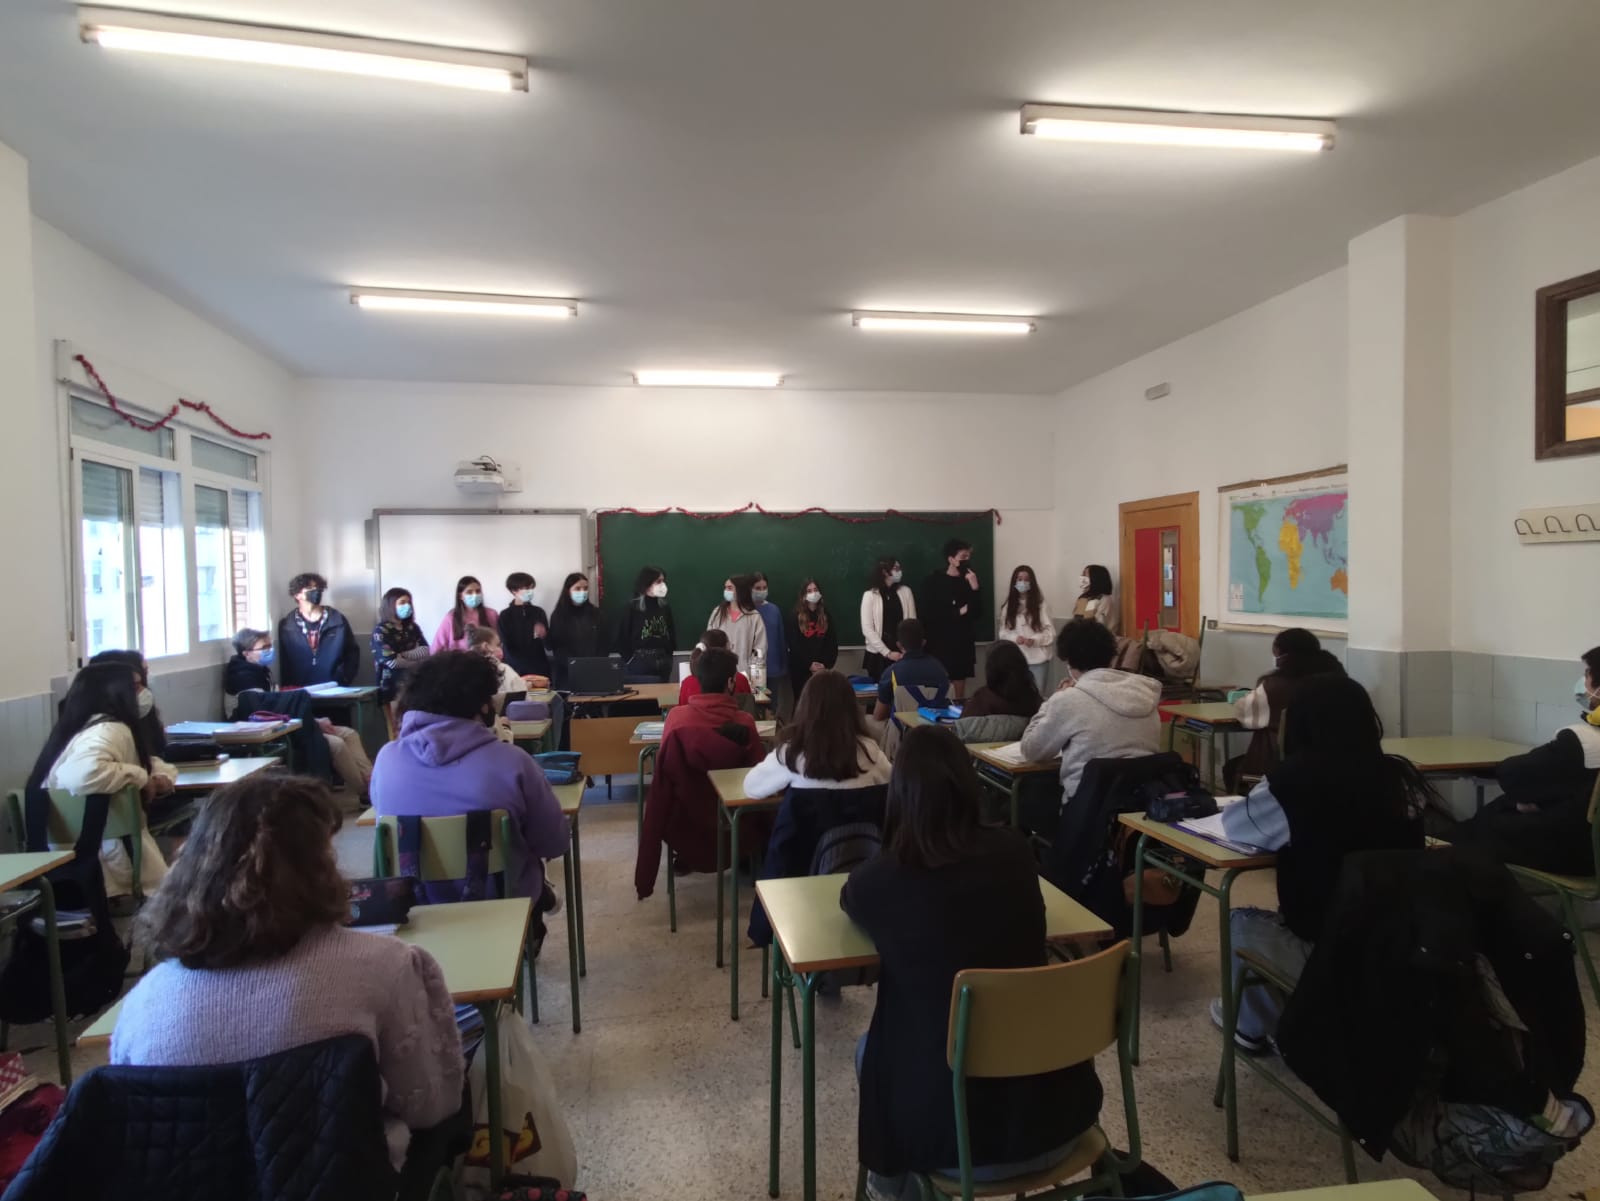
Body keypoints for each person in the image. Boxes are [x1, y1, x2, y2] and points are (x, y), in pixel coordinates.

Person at [111, 773, 465, 1172]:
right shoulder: (384, 964)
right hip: (345, 1182)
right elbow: (431, 1106)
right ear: (320, 867)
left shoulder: (148, 999)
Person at [843, 725, 1103, 1199]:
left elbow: (852, 902)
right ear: (969, 785)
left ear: (898, 795)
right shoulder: (1016, 852)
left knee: (870, 1050)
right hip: (1065, 1123)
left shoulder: (879, 880)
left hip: (957, 1148)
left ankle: (887, 1190)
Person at [1214, 675, 1431, 1050]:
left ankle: (1252, 1027)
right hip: (1406, 945)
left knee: (1239, 923)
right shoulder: (1401, 777)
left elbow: (1238, 828)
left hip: (1328, 949)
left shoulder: (1291, 781)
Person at [370, 652, 569, 904]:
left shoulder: (387, 760)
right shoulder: (514, 762)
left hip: (414, 911)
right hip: (503, 911)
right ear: (483, 705)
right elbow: (555, 843)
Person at [745, 670, 892, 944]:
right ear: (853, 710)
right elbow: (893, 787)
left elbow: (750, 787)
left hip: (798, 888)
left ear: (805, 707)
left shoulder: (792, 753)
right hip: (863, 887)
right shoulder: (873, 753)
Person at [1450, 646, 1600, 876]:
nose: (1583, 681)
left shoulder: (1582, 741)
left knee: (1484, 824)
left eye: (1587, 673)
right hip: (1586, 847)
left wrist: (1529, 800)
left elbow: (1515, 774)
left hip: (1573, 852)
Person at [33, 661, 174, 900]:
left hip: (63, 854)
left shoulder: (80, 725)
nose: (144, 693)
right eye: (136, 687)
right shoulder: (110, 728)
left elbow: (139, 761)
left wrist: (156, 775)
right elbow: (80, 774)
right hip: (107, 855)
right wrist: (141, 778)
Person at [634, 647, 764, 898]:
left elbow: (660, 795)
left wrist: (644, 880)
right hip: (737, 835)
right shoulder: (745, 723)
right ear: (730, 682)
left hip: (684, 834)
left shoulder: (676, 720)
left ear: (697, 680)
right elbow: (761, 785)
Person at [1019, 617, 1161, 801]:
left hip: (1086, 808)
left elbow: (1032, 750)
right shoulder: (1143, 693)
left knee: (1030, 791)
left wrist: (1053, 700)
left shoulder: (1068, 700)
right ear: (1111, 655)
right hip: (1141, 803)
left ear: (1069, 661)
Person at [224, 628, 372, 797]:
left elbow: (281, 707)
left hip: (289, 723)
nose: (270, 650)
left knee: (349, 733)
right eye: (263, 647)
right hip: (269, 731)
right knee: (336, 744)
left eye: (270, 645)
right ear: (247, 653)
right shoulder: (242, 677)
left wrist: (314, 720)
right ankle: (365, 791)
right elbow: (263, 714)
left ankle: (372, 780)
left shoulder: (263, 672)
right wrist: (314, 723)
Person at [1224, 627, 1347, 789]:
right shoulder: (1339, 681)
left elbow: (1247, 715)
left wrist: (1245, 697)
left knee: (1231, 768)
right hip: (1337, 762)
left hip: (1282, 764)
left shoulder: (1274, 686)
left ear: (1282, 654)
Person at [921, 539, 982, 699]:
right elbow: (929, 614)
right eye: (963, 556)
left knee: (959, 681)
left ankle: (957, 715)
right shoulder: (933, 581)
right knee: (938, 683)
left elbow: (977, 613)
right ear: (951, 559)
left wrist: (975, 588)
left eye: (969, 556)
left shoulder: (970, 580)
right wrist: (958, 612)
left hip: (962, 641)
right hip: (938, 641)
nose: (967, 560)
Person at [276, 572, 360, 687]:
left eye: (318, 588)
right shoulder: (288, 626)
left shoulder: (337, 620)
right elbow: (285, 662)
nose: (316, 591)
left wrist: (344, 678)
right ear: (297, 595)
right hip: (301, 691)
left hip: (334, 688)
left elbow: (352, 652)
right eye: (310, 588)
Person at [871, 619, 951, 722]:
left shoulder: (891, 673)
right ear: (923, 642)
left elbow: (879, 716)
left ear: (899, 645)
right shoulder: (941, 669)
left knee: (870, 721)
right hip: (938, 733)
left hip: (902, 734)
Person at [615, 565, 677, 683]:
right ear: (647, 583)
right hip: (639, 662)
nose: (662, 585)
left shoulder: (664, 606)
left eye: (663, 581)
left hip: (663, 660)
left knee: (663, 697)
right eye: (658, 581)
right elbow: (621, 638)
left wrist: (669, 654)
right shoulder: (632, 607)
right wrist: (630, 660)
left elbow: (671, 632)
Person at [997, 564, 1054, 692]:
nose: (1022, 582)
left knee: (1036, 696)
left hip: (1038, 660)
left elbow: (1050, 633)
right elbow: (1003, 632)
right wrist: (1015, 638)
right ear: (1014, 581)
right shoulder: (1008, 605)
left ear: (1032, 582)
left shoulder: (1041, 605)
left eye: (1026, 579)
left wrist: (1034, 640)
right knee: (1016, 697)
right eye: (1019, 579)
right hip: (1015, 660)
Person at [860, 557, 917, 681]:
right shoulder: (870, 595)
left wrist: (907, 649)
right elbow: (867, 629)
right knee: (881, 692)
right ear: (885, 572)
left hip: (903, 652)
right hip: (878, 654)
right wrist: (888, 653)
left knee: (903, 692)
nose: (899, 571)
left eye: (900, 568)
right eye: (896, 568)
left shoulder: (906, 592)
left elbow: (913, 623)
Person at [371, 586, 429, 703]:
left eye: (409, 602)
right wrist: (417, 662)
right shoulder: (381, 630)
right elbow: (392, 662)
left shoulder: (412, 627)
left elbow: (425, 650)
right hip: (390, 686)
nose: (407, 606)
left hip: (413, 683)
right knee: (395, 719)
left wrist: (401, 655)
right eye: (402, 602)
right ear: (390, 606)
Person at [547, 572, 603, 688]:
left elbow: (604, 641)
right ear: (568, 590)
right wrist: (575, 665)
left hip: (594, 670)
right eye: (578, 588)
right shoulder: (558, 615)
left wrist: (595, 663)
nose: (582, 592)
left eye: (585, 588)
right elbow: (557, 647)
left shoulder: (596, 613)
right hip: (567, 673)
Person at [961, 641, 1043, 720]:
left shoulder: (981, 700)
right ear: (1022, 665)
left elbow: (964, 728)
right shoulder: (1035, 701)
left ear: (991, 668)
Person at [705, 574, 768, 677]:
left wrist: (754, 674)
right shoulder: (718, 613)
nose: (726, 591)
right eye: (725, 588)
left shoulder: (754, 616)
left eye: (729, 588)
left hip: (745, 674)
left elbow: (760, 649)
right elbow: (708, 640)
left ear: (740, 590)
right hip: (719, 672)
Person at [785, 577, 839, 690]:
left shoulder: (826, 615)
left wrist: (825, 664)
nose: (813, 593)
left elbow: (832, 643)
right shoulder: (795, 616)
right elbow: (794, 646)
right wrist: (809, 665)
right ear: (803, 595)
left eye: (815, 590)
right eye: (809, 591)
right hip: (801, 672)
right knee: (802, 703)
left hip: (822, 670)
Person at [749, 570, 790, 715]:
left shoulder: (774, 610)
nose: (761, 591)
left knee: (770, 709)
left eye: (764, 588)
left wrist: (783, 666)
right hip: (750, 671)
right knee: (752, 709)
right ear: (750, 589)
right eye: (757, 588)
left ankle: (770, 737)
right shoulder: (745, 610)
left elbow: (780, 639)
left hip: (772, 669)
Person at [498, 572, 551, 682]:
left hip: (540, 669)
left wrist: (544, 635)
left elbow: (549, 646)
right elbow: (507, 646)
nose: (530, 591)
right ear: (514, 591)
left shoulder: (539, 612)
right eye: (526, 588)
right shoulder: (505, 615)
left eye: (532, 588)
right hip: (515, 671)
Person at [678, 629, 753, 704]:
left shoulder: (687, 684)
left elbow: (682, 709)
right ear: (724, 653)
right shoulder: (739, 679)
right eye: (729, 647)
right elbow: (748, 708)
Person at [430, 575, 498, 654]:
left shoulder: (492, 614)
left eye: (478, 591)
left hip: (487, 662)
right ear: (460, 596)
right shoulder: (451, 618)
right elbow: (436, 648)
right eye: (469, 592)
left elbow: (499, 643)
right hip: (459, 663)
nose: (475, 595)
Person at [467, 625, 532, 702]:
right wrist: (524, 686)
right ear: (486, 646)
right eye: (497, 645)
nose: (500, 648)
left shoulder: (465, 669)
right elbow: (523, 698)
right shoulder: (503, 670)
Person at [1072, 564, 1119, 635]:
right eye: (1082, 574)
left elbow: (1101, 625)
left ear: (1095, 578)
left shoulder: (1105, 599)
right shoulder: (1082, 598)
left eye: (1084, 574)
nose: (1081, 577)